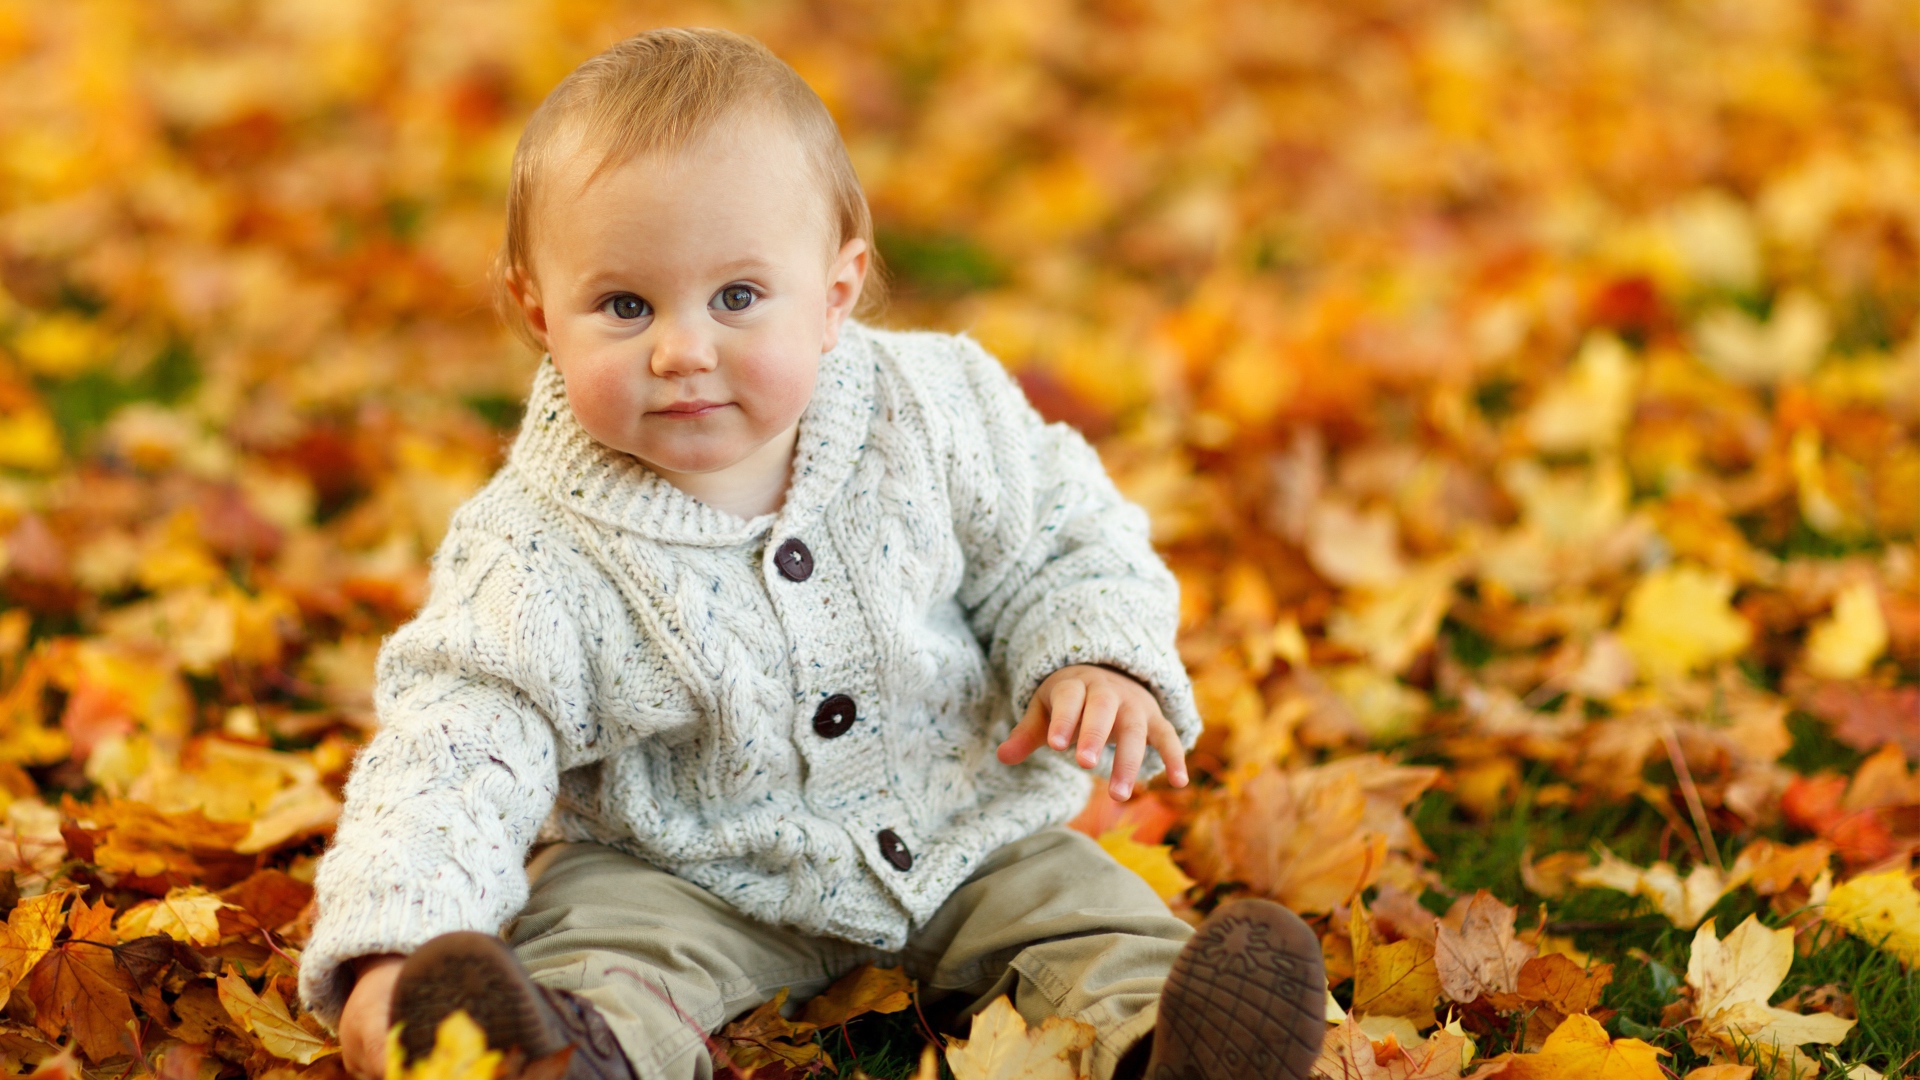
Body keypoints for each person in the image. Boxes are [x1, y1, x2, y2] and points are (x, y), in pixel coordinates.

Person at [297, 27, 1325, 1080]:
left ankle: (1168, 1047)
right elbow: (459, 742)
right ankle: (564, 1057)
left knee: (1086, 919)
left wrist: (1091, 654)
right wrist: (395, 944)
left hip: (962, 831)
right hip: (683, 872)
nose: (682, 349)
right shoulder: (533, 547)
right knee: (603, 953)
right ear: (538, 312)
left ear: (835, 293)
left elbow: (1062, 535)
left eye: (737, 298)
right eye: (624, 306)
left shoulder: (934, 409)